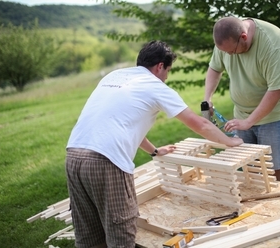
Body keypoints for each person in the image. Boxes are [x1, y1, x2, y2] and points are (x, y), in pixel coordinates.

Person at [65, 40, 243, 248]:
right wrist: (230, 141)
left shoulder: (114, 76)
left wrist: (155, 151)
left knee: (88, 234)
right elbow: (200, 124)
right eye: (168, 70)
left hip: (74, 156)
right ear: (160, 66)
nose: (166, 76)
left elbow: (120, 123)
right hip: (105, 161)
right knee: (120, 233)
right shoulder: (156, 87)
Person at [204, 16, 280, 183]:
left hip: (275, 114)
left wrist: (249, 121)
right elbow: (214, 68)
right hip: (242, 113)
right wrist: (208, 98)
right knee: (251, 167)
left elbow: (278, 90)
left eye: (232, 51)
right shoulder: (227, 40)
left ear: (244, 37)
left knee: (276, 169)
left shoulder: (274, 45)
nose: (229, 55)